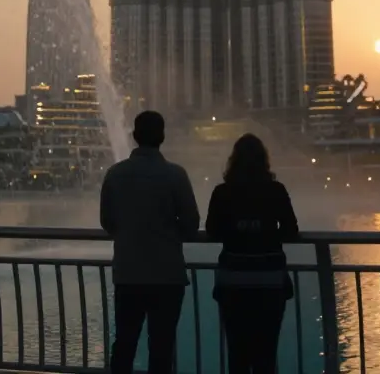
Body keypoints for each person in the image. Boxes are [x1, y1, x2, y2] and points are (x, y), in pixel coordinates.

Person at [100, 110, 200, 374]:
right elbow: (191, 224)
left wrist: (131, 233)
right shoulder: (176, 175)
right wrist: (168, 232)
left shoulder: (115, 174)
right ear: (162, 137)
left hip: (128, 273)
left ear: (134, 137)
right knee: (162, 347)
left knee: (124, 344)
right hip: (167, 276)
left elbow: (107, 221)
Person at [205, 133, 299, 374]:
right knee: (266, 353)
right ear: (263, 160)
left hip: (233, 281)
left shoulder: (222, 192)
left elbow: (213, 231)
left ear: (233, 161)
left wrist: (237, 232)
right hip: (269, 280)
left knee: (237, 353)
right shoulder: (276, 191)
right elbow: (291, 231)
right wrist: (265, 234)